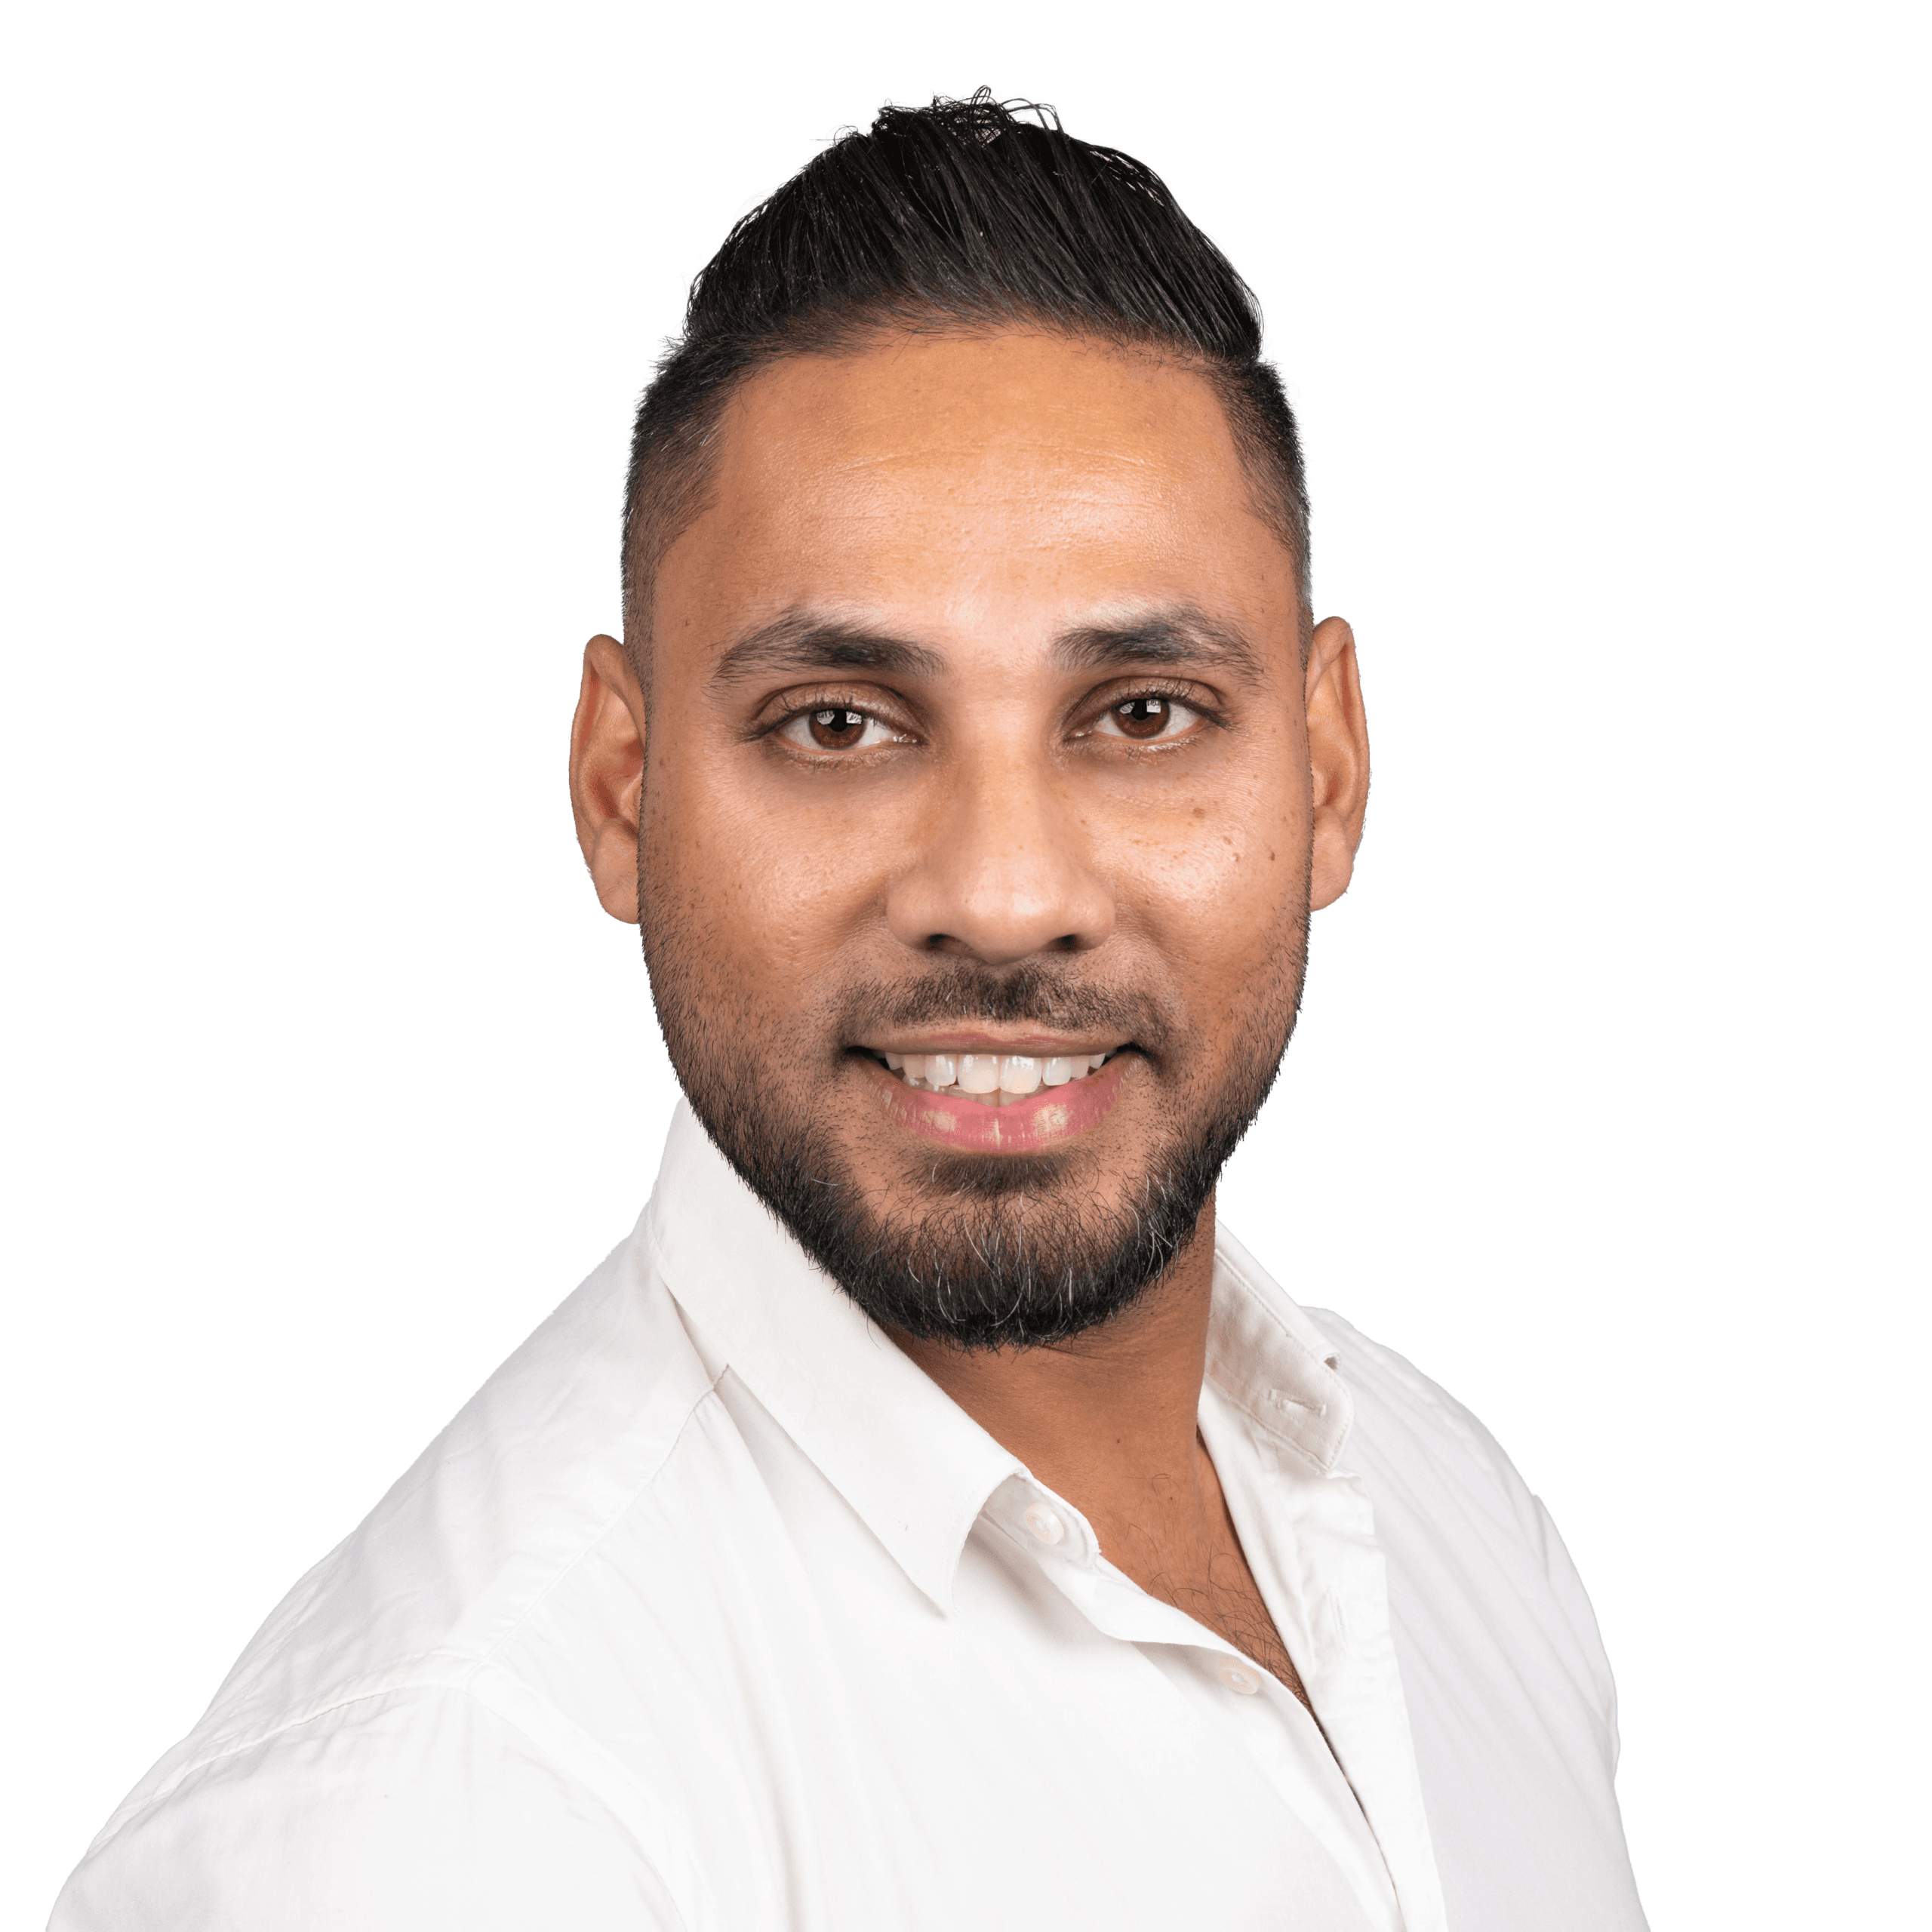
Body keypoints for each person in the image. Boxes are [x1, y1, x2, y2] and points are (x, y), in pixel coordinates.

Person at [51, 89, 1648, 1931]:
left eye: (1140, 713)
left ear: (1328, 771)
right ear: (621, 791)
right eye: (839, 723)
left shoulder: (1446, 1507)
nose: (1003, 893)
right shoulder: (440, 1827)